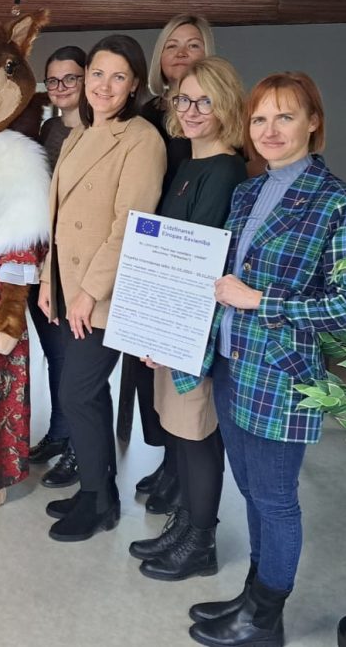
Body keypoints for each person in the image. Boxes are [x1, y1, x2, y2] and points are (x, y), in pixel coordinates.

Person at [181, 73, 346, 647]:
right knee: (250, 490)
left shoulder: (339, 202)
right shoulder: (247, 192)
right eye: (260, 118)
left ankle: (265, 619)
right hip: (231, 363)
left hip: (282, 376)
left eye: (285, 116)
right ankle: (254, 596)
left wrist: (262, 301)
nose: (270, 130)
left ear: (313, 123)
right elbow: (221, 283)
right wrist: (170, 334)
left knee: (275, 500)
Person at [124, 57, 248, 580]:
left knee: (196, 434)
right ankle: (185, 525)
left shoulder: (225, 169)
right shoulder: (190, 164)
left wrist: (165, 332)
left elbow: (198, 262)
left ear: (227, 107)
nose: (192, 111)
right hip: (170, 324)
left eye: (205, 101)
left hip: (191, 328)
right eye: (184, 99)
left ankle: (201, 541)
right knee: (178, 429)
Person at [39, 35, 165, 542]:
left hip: (103, 293)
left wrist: (90, 292)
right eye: (97, 74)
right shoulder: (79, 134)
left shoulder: (141, 139)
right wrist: (48, 281)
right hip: (69, 286)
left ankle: (101, 500)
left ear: (134, 84)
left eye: (118, 77)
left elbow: (130, 225)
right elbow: (58, 218)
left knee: (78, 391)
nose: (104, 86)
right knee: (83, 393)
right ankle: (96, 489)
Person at [127, 14, 217, 509]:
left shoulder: (216, 130)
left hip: (186, 256)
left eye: (193, 45)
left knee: (184, 389)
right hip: (149, 252)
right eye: (172, 45)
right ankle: (167, 463)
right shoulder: (148, 113)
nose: (181, 53)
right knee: (150, 379)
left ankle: (183, 478)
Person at [30, 45, 88, 489]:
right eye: (53, 79)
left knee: (78, 361)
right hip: (41, 258)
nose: (62, 86)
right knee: (55, 354)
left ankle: (78, 449)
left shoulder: (97, 131)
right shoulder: (49, 128)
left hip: (76, 262)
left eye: (71, 78)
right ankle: (59, 431)